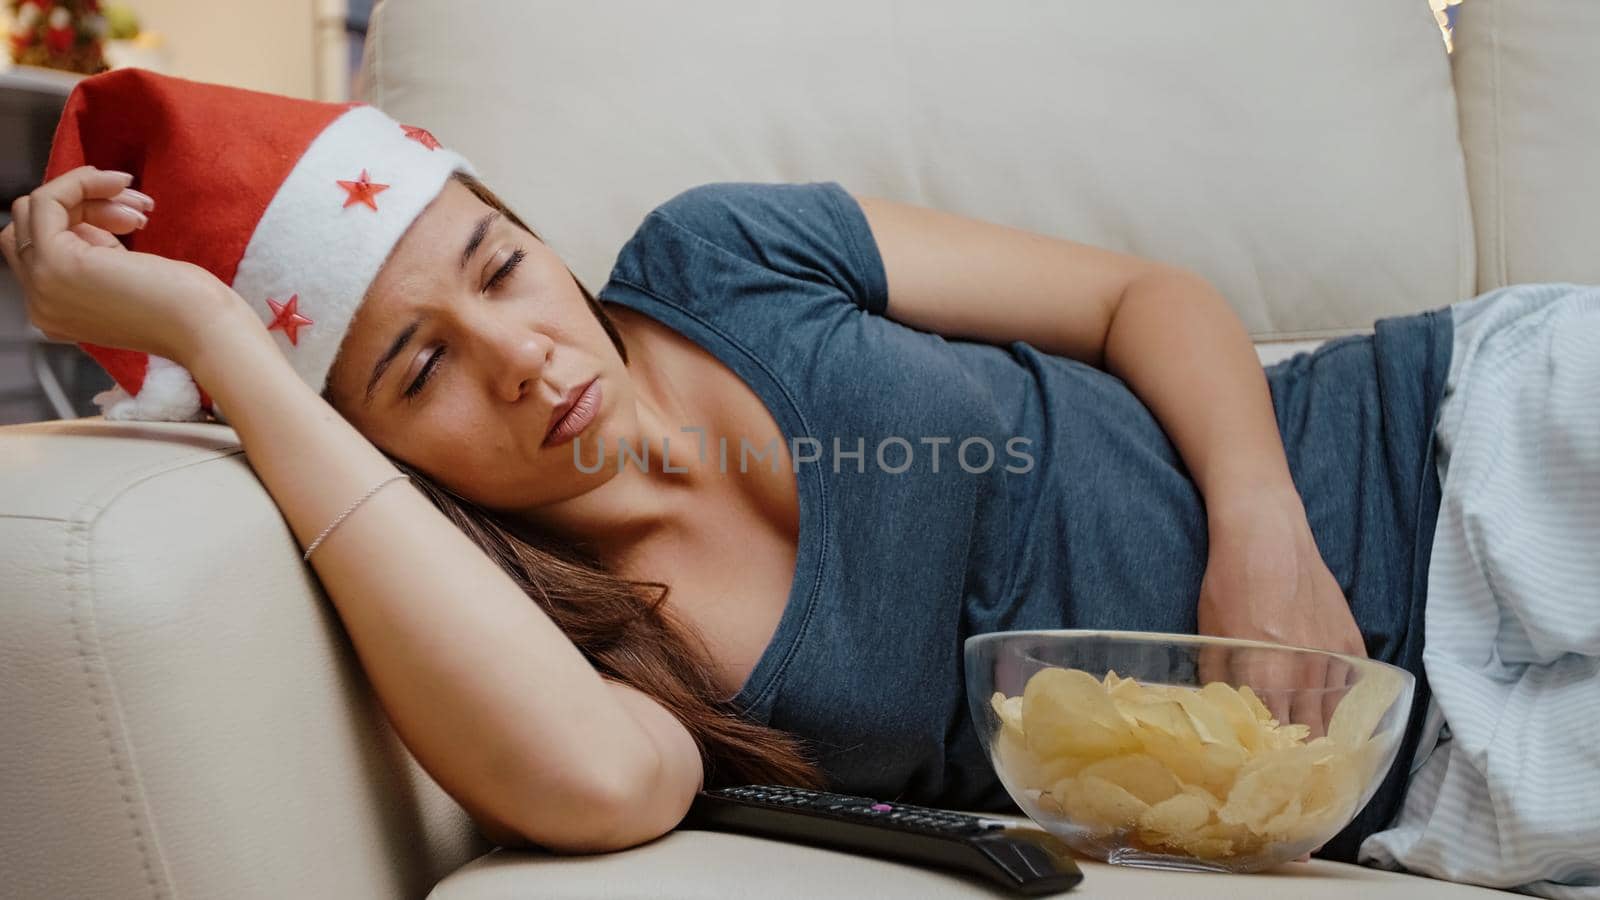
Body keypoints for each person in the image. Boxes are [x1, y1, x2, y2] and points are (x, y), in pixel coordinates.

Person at [3, 69, 1596, 895]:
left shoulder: (723, 255)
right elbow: (610, 791)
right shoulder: (576, 641)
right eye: (418, 370)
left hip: (1443, 441)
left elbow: (1144, 300)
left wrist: (1261, 533)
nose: (523, 356)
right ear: (368, 443)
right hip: (1422, 783)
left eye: (499, 265)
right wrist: (220, 339)